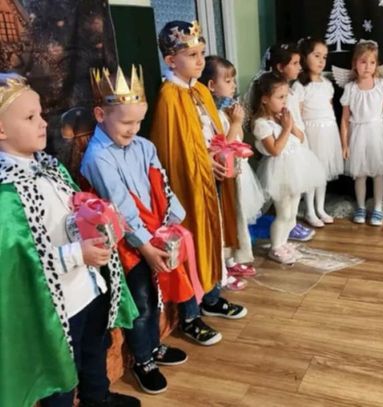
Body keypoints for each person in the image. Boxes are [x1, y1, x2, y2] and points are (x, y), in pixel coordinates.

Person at [0, 73, 139, 407]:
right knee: (61, 375)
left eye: (40, 114)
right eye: (30, 117)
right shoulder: (6, 194)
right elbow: (22, 262)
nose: (42, 123)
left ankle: (97, 399)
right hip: (57, 305)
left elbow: (68, 217)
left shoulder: (50, 168)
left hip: (86, 288)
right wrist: (78, 254)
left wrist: (97, 218)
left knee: (94, 350)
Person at [81, 65, 199, 396]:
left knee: (155, 293)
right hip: (126, 245)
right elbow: (120, 208)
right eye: (126, 123)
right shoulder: (98, 157)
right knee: (141, 300)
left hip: (153, 233)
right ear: (100, 114)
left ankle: (153, 346)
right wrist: (146, 246)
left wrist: (172, 220)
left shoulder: (144, 146)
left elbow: (162, 183)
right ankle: (143, 359)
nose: (134, 129)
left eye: (138, 122)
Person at [151, 20, 247, 330]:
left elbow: (212, 135)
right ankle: (190, 314)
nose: (200, 61)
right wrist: (203, 161)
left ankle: (211, 296)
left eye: (202, 53)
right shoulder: (169, 96)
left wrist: (223, 154)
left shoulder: (202, 91)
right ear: (170, 60)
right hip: (189, 186)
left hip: (212, 179)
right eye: (192, 55)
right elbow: (171, 151)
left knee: (213, 237)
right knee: (193, 241)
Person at [200, 55, 264, 286]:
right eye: (227, 81)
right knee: (225, 221)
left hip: (237, 173)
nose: (234, 85)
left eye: (233, 80)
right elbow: (221, 148)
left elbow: (238, 139)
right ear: (211, 85)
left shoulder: (224, 111)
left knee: (236, 220)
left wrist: (235, 121)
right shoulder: (207, 115)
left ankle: (232, 260)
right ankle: (223, 270)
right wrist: (236, 123)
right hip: (222, 174)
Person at [250, 72, 325, 264]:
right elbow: (275, 150)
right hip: (279, 174)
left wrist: (290, 125)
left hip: (295, 170)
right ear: (265, 99)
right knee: (283, 214)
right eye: (280, 97)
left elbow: (300, 138)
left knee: (292, 215)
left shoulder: (280, 118)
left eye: (286, 96)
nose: (285, 101)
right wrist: (285, 128)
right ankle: (275, 247)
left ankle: (283, 243)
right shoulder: (261, 124)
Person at [339, 40, 383, 226]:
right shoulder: (350, 88)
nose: (367, 66)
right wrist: (344, 144)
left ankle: (378, 208)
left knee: (378, 172)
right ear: (355, 64)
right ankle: (360, 207)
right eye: (363, 62)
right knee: (360, 174)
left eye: (372, 62)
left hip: (378, 132)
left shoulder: (381, 85)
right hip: (358, 133)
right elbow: (344, 119)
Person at [267, 43, 316, 241]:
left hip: (296, 139)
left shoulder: (291, 90)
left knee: (297, 187)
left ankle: (292, 223)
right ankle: (286, 227)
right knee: (287, 190)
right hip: (286, 142)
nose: (300, 67)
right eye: (294, 63)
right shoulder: (275, 92)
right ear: (280, 67)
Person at [294, 37, 344, 227]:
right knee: (312, 174)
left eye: (324, 57)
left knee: (323, 173)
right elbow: (297, 114)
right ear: (305, 57)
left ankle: (320, 208)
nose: (321, 61)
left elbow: (329, 108)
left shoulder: (327, 84)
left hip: (328, 132)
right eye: (317, 56)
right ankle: (309, 210)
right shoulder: (300, 86)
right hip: (311, 133)